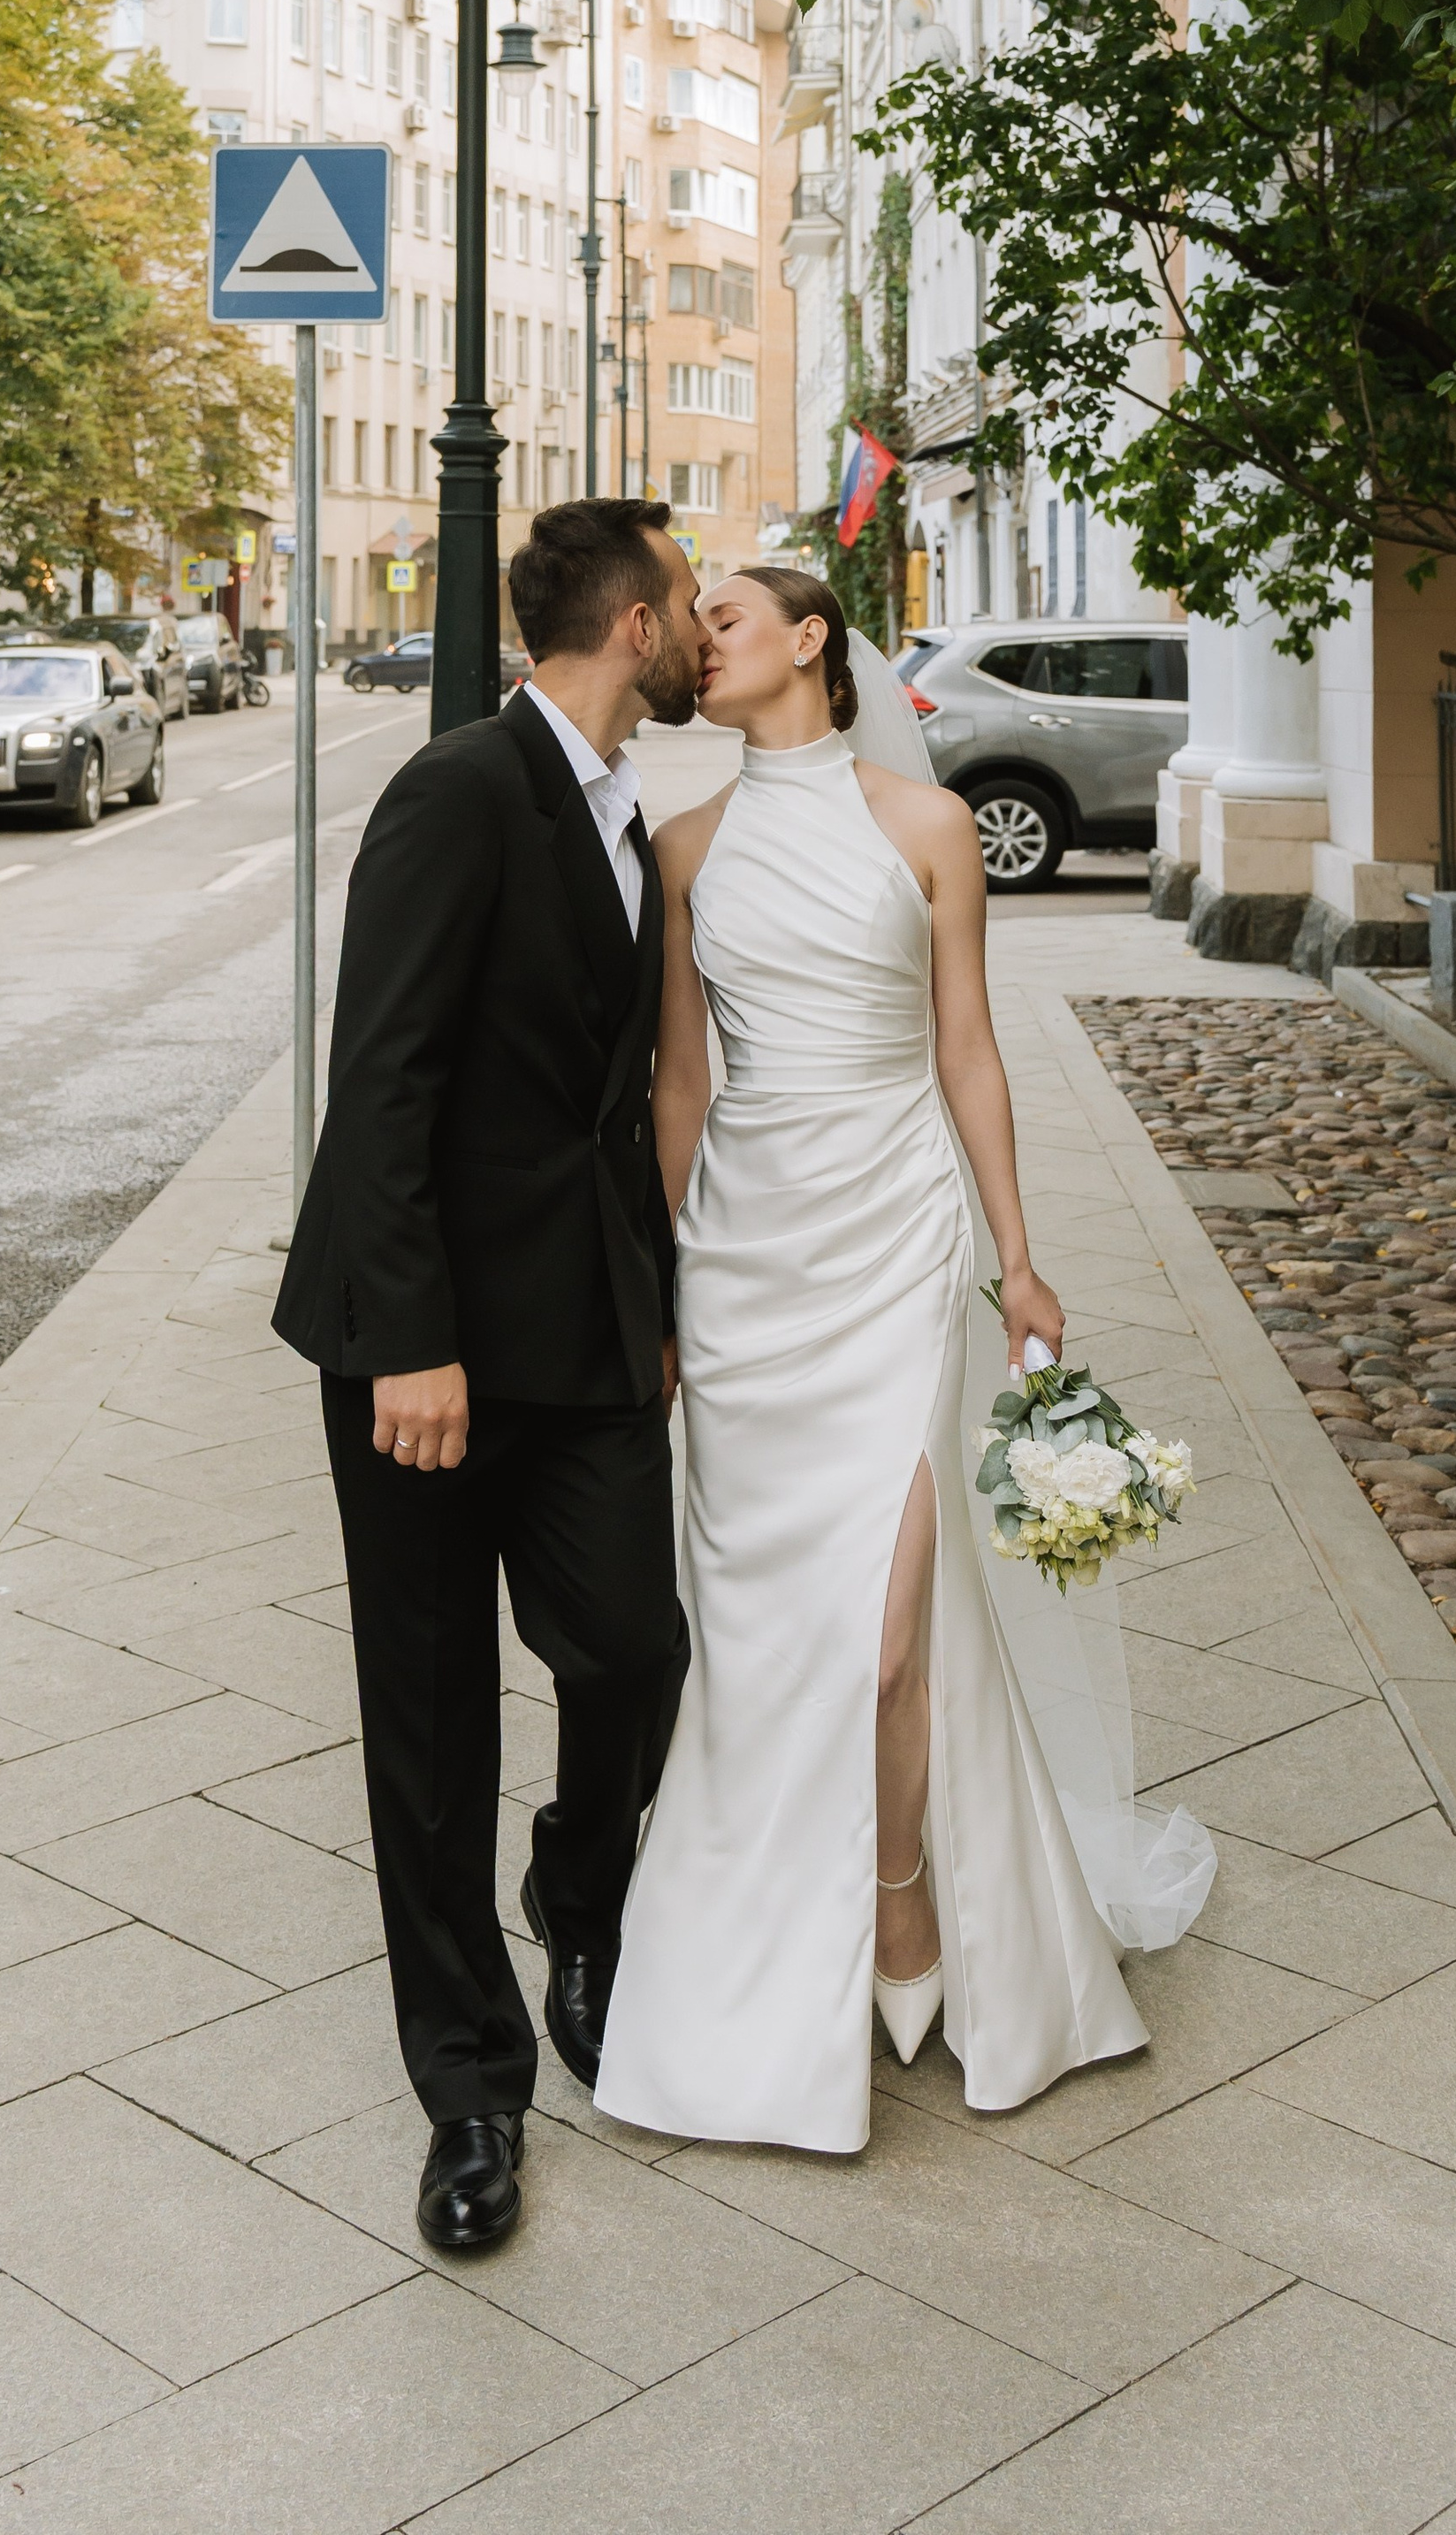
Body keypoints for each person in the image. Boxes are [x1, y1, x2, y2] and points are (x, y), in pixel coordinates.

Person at [594, 567, 1214, 2152]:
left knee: (885, 1638)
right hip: (743, 1267)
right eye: (692, 619)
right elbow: (680, 1080)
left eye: (727, 612)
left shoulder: (926, 829)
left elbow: (968, 1050)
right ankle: (756, 1974)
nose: (698, 633)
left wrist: (1020, 1256)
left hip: (891, 1246)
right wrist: (660, 1288)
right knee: (760, 1639)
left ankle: (905, 1898)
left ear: (812, 643)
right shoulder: (684, 848)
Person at [275, 497, 704, 2251]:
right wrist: (414, 1339)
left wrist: (651, 1302)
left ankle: (575, 1899)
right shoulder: (459, 789)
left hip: (590, 1333)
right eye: (681, 602)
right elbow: (374, 1080)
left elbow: (609, 1113)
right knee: (432, 1719)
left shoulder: (629, 815)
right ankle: (468, 2091)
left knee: (631, 1647)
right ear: (628, 619)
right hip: (427, 1354)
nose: (694, 628)